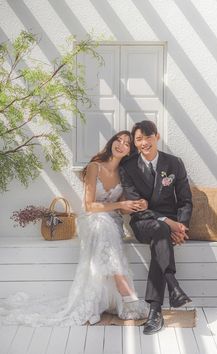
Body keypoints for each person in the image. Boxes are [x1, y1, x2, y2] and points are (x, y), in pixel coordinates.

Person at [0, 130, 148, 327]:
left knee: (107, 225)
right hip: (91, 220)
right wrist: (119, 206)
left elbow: (122, 206)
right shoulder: (94, 167)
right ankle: (122, 285)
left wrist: (137, 204)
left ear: (129, 151)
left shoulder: (124, 173)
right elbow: (88, 206)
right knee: (101, 223)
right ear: (112, 143)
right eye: (118, 140)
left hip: (112, 223)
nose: (121, 144)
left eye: (127, 143)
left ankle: (113, 293)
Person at [119, 120, 193, 335]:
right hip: (143, 222)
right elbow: (136, 205)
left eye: (147, 137)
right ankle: (173, 285)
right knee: (160, 230)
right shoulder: (128, 167)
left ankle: (155, 311)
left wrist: (181, 227)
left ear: (157, 137)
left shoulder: (174, 163)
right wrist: (167, 222)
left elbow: (186, 200)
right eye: (138, 139)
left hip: (169, 225)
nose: (144, 143)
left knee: (161, 236)